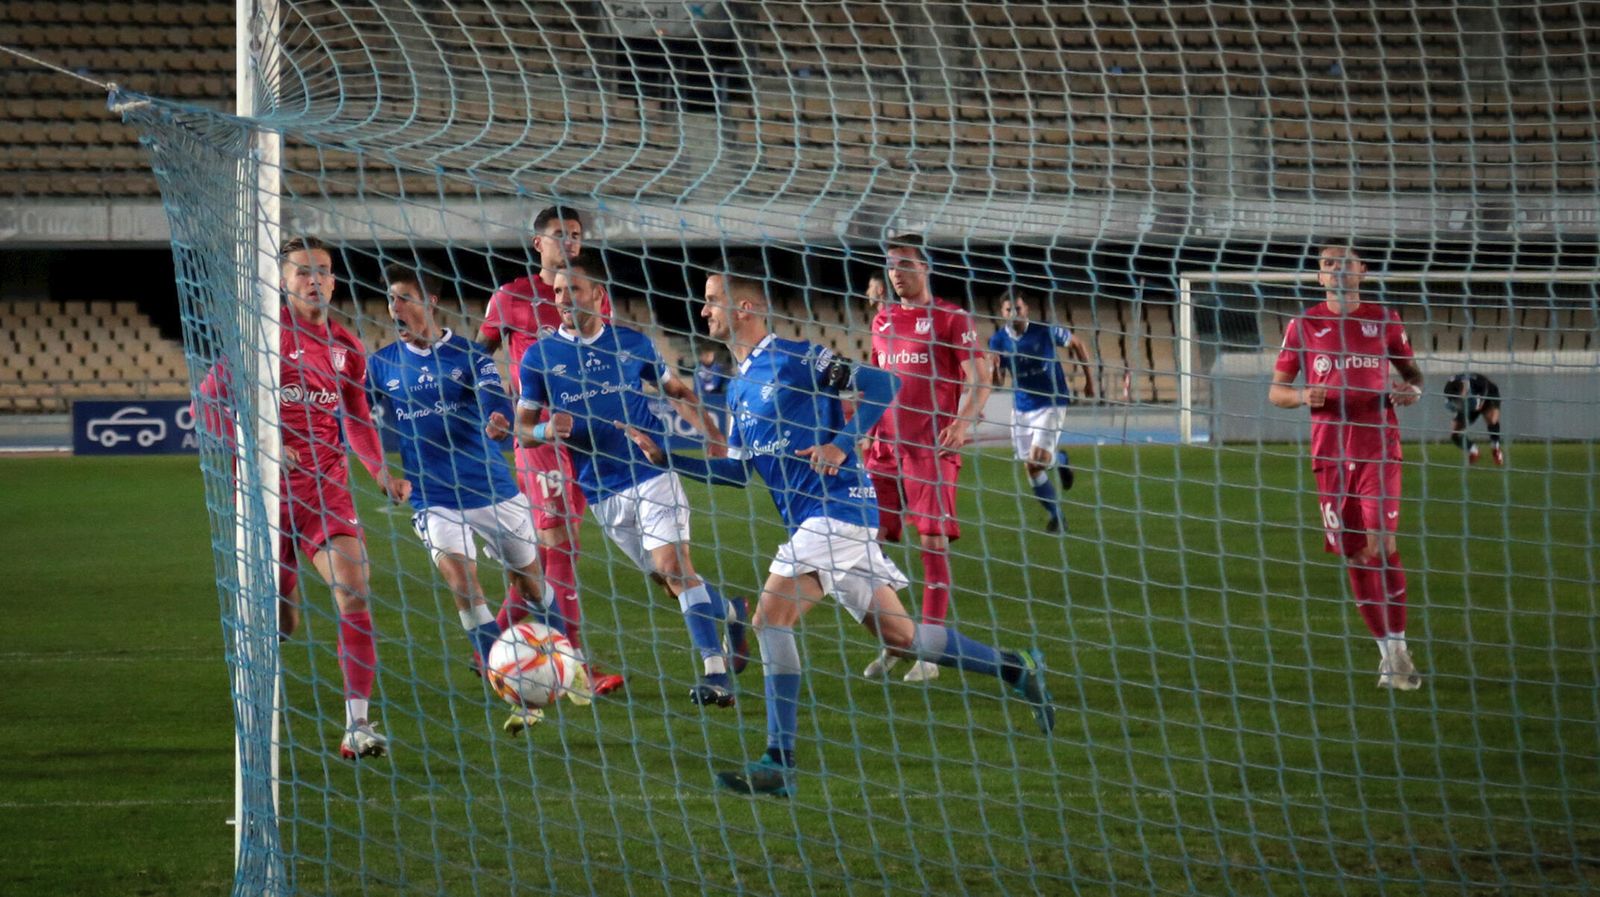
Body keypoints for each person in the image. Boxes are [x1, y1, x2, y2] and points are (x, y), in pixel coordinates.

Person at [617, 261, 1054, 798]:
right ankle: (1016, 667)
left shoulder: (797, 357)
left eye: (711, 299)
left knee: (769, 619)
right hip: (816, 519)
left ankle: (779, 763)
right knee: (902, 636)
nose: (703, 309)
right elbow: (735, 472)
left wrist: (841, 444)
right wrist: (667, 456)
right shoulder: (735, 390)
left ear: (745, 308)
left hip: (840, 508)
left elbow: (881, 381)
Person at [196, 236, 410, 759]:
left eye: (324, 271)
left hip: (326, 491)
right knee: (280, 623)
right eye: (302, 272)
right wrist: (264, 446)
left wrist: (380, 470)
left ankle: (357, 726)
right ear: (284, 281)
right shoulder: (262, 338)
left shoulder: (345, 347)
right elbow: (209, 403)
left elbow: (358, 415)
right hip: (264, 497)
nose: (315, 280)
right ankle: (256, 708)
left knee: (354, 591)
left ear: (335, 281)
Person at [513, 251, 748, 707]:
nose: (563, 298)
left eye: (573, 289)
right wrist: (543, 429)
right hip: (601, 489)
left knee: (673, 568)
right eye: (558, 291)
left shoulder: (632, 344)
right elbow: (522, 429)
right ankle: (733, 611)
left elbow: (675, 390)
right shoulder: (540, 357)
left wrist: (713, 435)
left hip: (651, 470)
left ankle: (715, 674)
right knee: (669, 582)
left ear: (597, 295)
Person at [372, 263, 578, 736]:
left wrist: (497, 422)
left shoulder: (471, 357)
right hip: (433, 496)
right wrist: (379, 468)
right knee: (464, 586)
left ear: (430, 303)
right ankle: (511, 685)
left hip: (492, 488)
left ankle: (572, 659)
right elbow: (356, 415)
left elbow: (496, 404)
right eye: (391, 298)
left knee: (530, 585)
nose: (394, 306)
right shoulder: (381, 364)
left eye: (404, 297)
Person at [480, 206, 624, 696]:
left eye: (576, 235)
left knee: (556, 553)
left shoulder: (593, 297)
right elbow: (477, 359)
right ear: (537, 242)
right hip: (540, 438)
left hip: (586, 440)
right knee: (559, 548)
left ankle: (488, 651)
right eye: (558, 234)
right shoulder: (512, 297)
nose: (569, 241)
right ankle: (578, 668)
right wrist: (496, 412)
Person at [1270, 244, 1425, 691]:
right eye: (1327, 264)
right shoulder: (1304, 325)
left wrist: (1411, 391)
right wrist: (1301, 396)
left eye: (1346, 262)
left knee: (1381, 542)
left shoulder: (1385, 320)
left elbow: (1413, 376)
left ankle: (1398, 648)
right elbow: (1277, 391)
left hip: (1379, 444)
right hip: (1330, 455)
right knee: (1355, 552)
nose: (1337, 269)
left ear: (1363, 271)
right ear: (1320, 277)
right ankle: (1388, 654)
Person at [859, 234, 992, 683]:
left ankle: (930, 652)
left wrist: (963, 421)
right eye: (890, 266)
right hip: (884, 448)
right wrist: (864, 428)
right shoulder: (882, 320)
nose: (896, 273)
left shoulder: (951, 319)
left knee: (931, 545)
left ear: (925, 267)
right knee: (863, 542)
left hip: (930, 449)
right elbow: (878, 380)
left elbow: (981, 378)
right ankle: (900, 638)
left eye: (904, 264)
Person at [987, 289, 1095, 533]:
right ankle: (1058, 494)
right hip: (1022, 407)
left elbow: (1077, 342)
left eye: (1018, 308)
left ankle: (1057, 517)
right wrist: (994, 369)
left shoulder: (1045, 330)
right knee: (1032, 467)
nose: (1014, 313)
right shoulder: (998, 341)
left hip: (1052, 402)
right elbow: (997, 382)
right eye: (1008, 310)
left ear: (1027, 310)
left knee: (1037, 462)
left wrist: (1089, 380)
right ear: (1001, 313)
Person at [1444, 372, 1504, 465]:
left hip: (1488, 396)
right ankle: (1474, 451)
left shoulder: (1478, 382)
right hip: (1468, 404)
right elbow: (1450, 404)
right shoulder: (1448, 389)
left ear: (1464, 389)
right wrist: (1458, 408)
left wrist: (1481, 402)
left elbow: (1486, 387)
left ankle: (1495, 448)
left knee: (1492, 420)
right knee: (1455, 434)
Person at [693, 344, 730, 433]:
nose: (709, 357)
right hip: (702, 400)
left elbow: (719, 383)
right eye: (707, 355)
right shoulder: (698, 370)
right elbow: (698, 385)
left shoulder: (719, 368)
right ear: (701, 356)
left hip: (718, 400)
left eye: (710, 355)